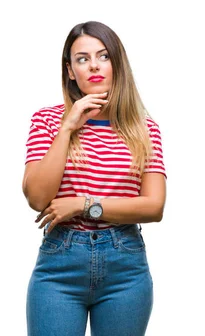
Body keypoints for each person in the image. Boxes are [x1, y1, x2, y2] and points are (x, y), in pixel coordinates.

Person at [23, 21, 166, 336]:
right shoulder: (47, 121)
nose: (94, 66)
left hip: (125, 267)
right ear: (71, 70)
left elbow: (154, 207)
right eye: (82, 59)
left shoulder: (144, 128)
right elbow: (36, 198)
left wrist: (83, 204)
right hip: (60, 264)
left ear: (117, 64)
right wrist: (67, 127)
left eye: (103, 56)